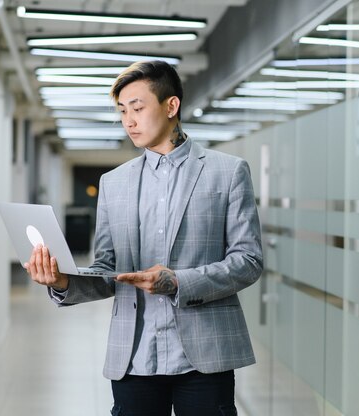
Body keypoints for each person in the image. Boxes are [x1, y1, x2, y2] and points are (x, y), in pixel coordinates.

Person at [24, 60, 263, 416]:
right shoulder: (114, 183)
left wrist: (177, 281)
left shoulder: (227, 173)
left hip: (205, 358)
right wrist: (61, 281)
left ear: (171, 106)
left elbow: (248, 261)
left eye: (137, 108)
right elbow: (108, 271)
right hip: (134, 358)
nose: (128, 121)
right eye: (122, 111)